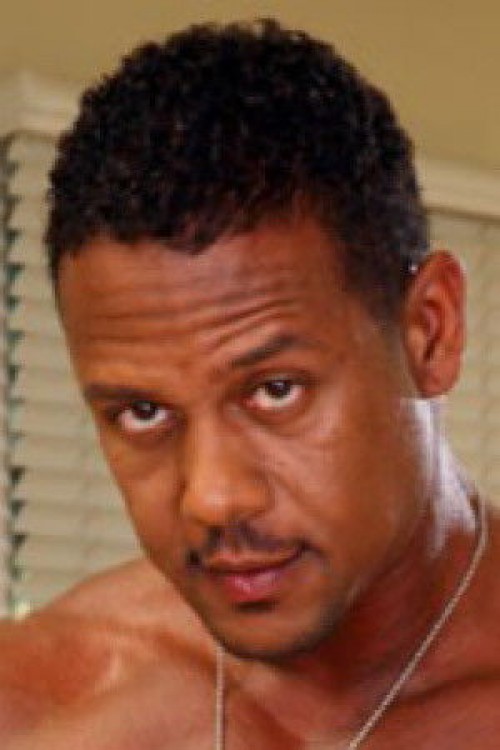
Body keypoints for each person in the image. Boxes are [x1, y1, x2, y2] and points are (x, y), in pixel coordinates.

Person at [0, 18, 499, 750]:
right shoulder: (37, 709)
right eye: (143, 412)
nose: (212, 498)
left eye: (275, 391)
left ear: (429, 331)